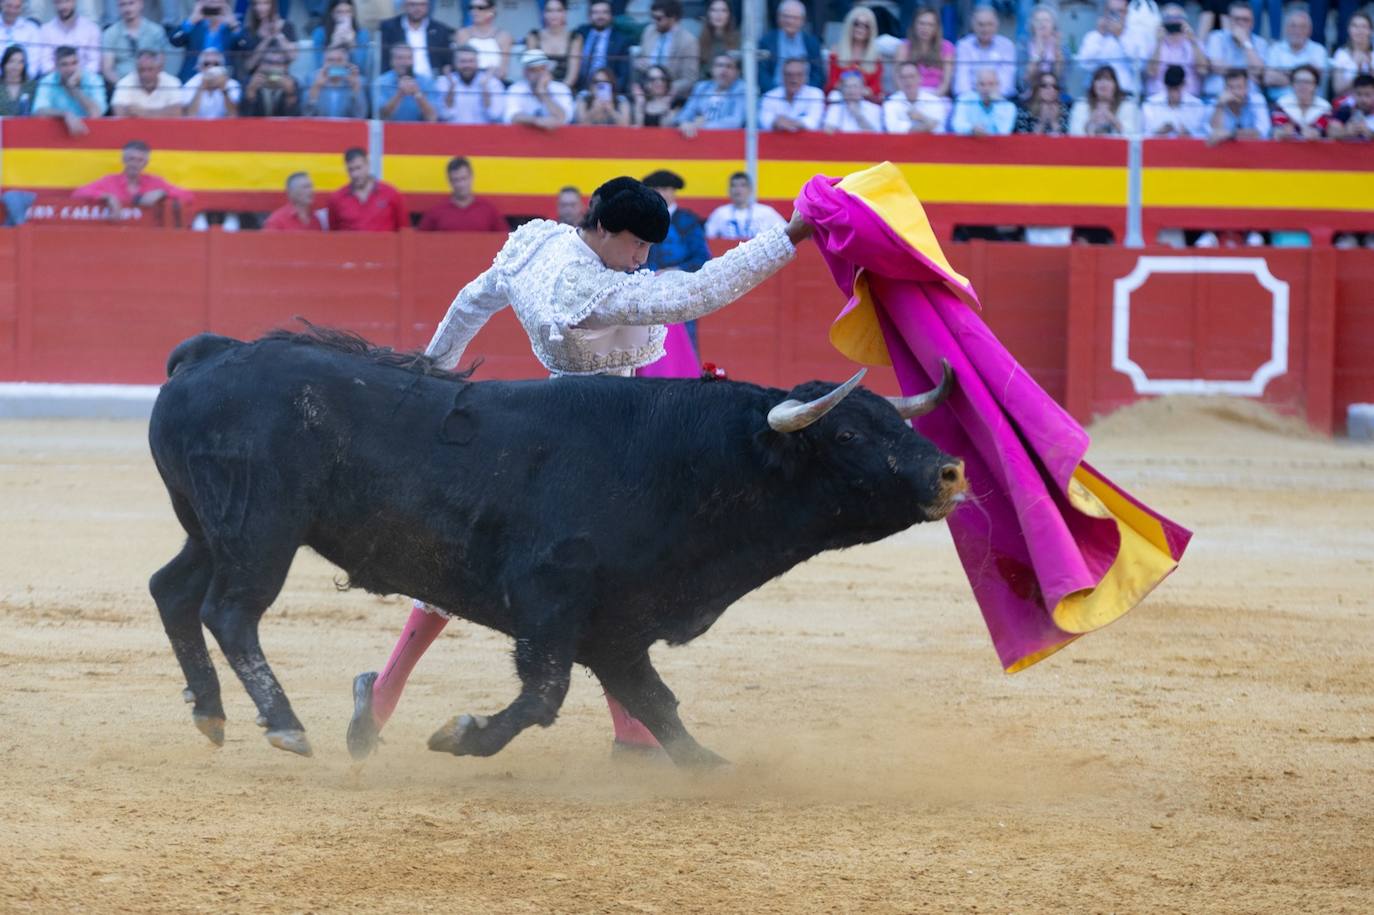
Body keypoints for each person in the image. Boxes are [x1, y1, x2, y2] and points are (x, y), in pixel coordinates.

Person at [346, 175, 815, 762]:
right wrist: (791, 234)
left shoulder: (539, 242)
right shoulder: (585, 289)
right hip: (584, 445)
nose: (643, 259)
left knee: (559, 575)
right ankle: (633, 735)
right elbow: (697, 294)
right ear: (607, 229)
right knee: (598, 579)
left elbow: (472, 301)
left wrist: (431, 374)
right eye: (638, 245)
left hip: (579, 434)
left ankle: (386, 692)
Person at [72, 139, 192, 221]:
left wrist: (162, 193)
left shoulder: (155, 182)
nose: (135, 164)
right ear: (124, 160)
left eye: (140, 160)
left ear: (145, 163)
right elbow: (78, 193)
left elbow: (188, 196)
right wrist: (108, 197)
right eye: (131, 159)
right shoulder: (110, 181)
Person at [642, 169, 709, 275]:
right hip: (647, 278)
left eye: (664, 189)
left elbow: (701, 257)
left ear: (673, 191)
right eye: (655, 189)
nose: (659, 193)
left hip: (681, 278)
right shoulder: (641, 219)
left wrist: (677, 270)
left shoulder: (688, 220)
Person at [1075, 0, 1145, 97]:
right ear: (1105, 12)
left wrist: (1120, 36)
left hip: (1126, 94)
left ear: (1127, 13)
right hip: (1097, 96)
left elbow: (1139, 66)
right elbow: (1084, 65)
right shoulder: (1093, 36)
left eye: (1120, 11)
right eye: (1112, 11)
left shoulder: (1136, 35)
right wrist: (1100, 35)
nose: (1116, 15)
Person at [417, 157, 506, 232]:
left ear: (471, 177)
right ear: (449, 181)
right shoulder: (436, 212)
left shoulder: (488, 210)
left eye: (463, 178)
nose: (460, 185)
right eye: (456, 180)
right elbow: (419, 240)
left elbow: (506, 240)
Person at [327, 147, 407, 231]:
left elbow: (404, 230)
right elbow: (333, 233)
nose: (355, 174)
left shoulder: (391, 194)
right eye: (351, 170)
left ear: (368, 165)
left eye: (358, 168)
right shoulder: (336, 199)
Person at [31, 44, 105, 134]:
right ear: (56, 66)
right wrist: (65, 114)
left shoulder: (93, 80)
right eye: (64, 64)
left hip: (89, 132)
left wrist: (74, 89)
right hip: (55, 133)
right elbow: (39, 111)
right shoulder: (47, 81)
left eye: (74, 63)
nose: (70, 69)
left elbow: (96, 114)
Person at [636, 0, 698, 102]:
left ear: (672, 18)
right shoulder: (649, 31)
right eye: (652, 17)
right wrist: (639, 63)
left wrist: (665, 88)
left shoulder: (688, 41)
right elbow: (640, 58)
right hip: (647, 91)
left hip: (672, 97)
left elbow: (689, 79)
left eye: (658, 18)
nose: (654, 21)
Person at [757, 0, 823, 94]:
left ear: (803, 20)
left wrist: (805, 93)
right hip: (774, 94)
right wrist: (776, 93)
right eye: (786, 16)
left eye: (795, 18)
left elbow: (818, 75)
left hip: (806, 95)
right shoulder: (767, 41)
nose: (790, 21)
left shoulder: (812, 43)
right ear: (778, 17)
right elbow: (762, 74)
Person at [102, 0, 173, 86]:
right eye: (123, 5)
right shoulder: (110, 33)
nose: (127, 8)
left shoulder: (156, 31)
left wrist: (148, 85)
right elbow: (107, 70)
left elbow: (160, 63)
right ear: (118, 7)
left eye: (131, 3)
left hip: (151, 84)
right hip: (121, 86)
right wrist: (124, 85)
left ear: (141, 4)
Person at [1263, 9, 1328, 103]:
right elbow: (1268, 79)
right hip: (1279, 103)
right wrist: (1302, 79)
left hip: (1310, 105)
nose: (1297, 31)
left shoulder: (1319, 50)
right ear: (1286, 29)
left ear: (1310, 30)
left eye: (1302, 27)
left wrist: (1285, 75)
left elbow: (1315, 79)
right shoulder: (1275, 49)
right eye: (1293, 26)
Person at [1204, 1, 1268, 98]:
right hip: (1216, 96)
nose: (1241, 23)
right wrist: (1247, 73)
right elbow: (1216, 66)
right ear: (1229, 21)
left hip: (1249, 98)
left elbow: (1258, 71)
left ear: (1252, 23)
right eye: (1236, 19)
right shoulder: (1216, 37)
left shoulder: (1261, 42)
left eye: (1245, 20)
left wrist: (1245, 42)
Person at [169, 1, 242, 84]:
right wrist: (191, 20)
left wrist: (234, 25)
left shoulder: (231, 27)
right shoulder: (194, 25)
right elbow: (174, 41)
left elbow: (245, 46)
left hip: (224, 79)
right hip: (193, 77)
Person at [676, 51, 745, 136]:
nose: (723, 70)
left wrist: (704, 125)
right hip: (699, 137)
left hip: (730, 139)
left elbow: (736, 121)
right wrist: (684, 123)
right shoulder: (702, 87)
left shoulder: (743, 89)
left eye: (729, 66)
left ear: (737, 72)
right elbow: (686, 113)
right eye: (719, 65)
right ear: (712, 69)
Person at [1145, 4, 1207, 97]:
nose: (1174, 21)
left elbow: (1202, 70)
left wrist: (1193, 42)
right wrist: (1159, 43)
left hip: (1189, 97)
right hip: (1159, 97)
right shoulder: (1154, 43)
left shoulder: (1195, 43)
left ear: (1185, 21)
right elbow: (1151, 72)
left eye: (1178, 18)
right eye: (1169, 18)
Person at [953, 5, 1015, 98]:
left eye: (989, 24)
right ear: (973, 26)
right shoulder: (964, 45)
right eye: (981, 25)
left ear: (997, 25)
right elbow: (961, 82)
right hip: (970, 99)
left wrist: (993, 97)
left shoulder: (1007, 46)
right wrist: (972, 99)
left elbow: (1007, 82)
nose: (985, 29)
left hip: (999, 97)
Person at [382, 0, 454, 79]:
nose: (417, 8)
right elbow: (384, 59)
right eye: (412, 4)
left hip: (432, 80)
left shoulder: (440, 30)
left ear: (428, 6)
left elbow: (447, 61)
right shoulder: (389, 28)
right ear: (404, 6)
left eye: (422, 5)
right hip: (397, 80)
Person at [572, 0, 631, 94]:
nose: (600, 16)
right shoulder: (581, 33)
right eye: (596, 12)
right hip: (580, 89)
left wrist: (612, 94)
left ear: (611, 16)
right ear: (589, 16)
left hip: (608, 91)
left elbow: (623, 76)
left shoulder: (620, 41)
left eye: (604, 12)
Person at [704, 171, 785, 240]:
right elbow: (708, 237)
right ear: (729, 190)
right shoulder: (720, 213)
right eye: (733, 185)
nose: (738, 189)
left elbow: (785, 232)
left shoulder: (766, 212)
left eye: (742, 185)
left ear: (750, 189)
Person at [504, 49, 571, 130]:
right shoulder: (516, 89)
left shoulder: (561, 89)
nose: (539, 74)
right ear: (525, 73)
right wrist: (536, 121)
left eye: (542, 69)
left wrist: (543, 93)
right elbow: (512, 116)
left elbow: (565, 118)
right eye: (533, 70)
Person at [435, 43, 502, 124]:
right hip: (452, 130)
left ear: (478, 62)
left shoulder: (492, 82)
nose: (467, 65)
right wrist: (452, 87)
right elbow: (444, 115)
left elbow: (494, 115)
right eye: (463, 61)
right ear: (455, 63)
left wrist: (484, 87)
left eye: (471, 61)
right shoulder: (444, 81)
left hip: (484, 130)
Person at [826, 6, 882, 100]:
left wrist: (860, 92)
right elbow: (832, 83)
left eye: (866, 26)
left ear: (871, 30)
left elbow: (876, 88)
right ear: (849, 26)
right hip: (841, 99)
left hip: (865, 101)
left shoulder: (876, 57)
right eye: (856, 24)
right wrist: (850, 91)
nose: (860, 28)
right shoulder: (836, 53)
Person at [896, 6, 953, 97]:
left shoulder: (947, 47)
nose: (925, 28)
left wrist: (932, 98)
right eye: (921, 23)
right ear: (914, 25)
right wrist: (910, 97)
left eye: (930, 25)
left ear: (936, 27)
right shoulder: (904, 46)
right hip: (908, 95)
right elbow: (897, 78)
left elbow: (946, 82)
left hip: (936, 95)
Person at [1070, 64, 1140, 136]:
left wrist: (1113, 120)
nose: (1103, 83)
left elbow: (1133, 134)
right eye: (1099, 79)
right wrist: (1090, 121)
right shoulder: (1081, 105)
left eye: (1108, 79)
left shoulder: (1127, 105)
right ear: (1093, 85)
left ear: (1115, 85)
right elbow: (1073, 133)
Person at [34, 0, 99, 77]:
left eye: (67, 1)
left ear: (74, 1)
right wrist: (61, 78)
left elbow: (94, 63)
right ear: (54, 4)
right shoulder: (46, 30)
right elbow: (45, 63)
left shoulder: (91, 29)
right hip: (54, 80)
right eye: (59, 2)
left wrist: (79, 77)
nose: (63, 6)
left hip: (85, 80)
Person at [760, 55, 825, 131]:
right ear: (782, 76)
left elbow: (814, 121)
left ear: (806, 77)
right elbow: (764, 120)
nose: (794, 79)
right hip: (778, 137)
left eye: (799, 75)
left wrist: (794, 123)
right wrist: (775, 122)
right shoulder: (770, 96)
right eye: (789, 75)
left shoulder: (815, 94)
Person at [525, 0, 581, 88]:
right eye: (549, 10)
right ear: (543, 13)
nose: (554, 15)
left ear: (565, 13)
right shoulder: (533, 37)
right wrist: (541, 89)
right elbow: (531, 71)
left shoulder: (575, 38)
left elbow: (572, 76)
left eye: (558, 10)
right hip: (537, 87)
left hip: (565, 90)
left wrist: (559, 91)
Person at [374, 43, 437, 121]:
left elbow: (432, 117)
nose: (404, 62)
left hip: (418, 127)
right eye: (399, 58)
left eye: (408, 58)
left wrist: (417, 94)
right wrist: (400, 94)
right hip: (390, 127)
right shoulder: (381, 82)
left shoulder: (426, 82)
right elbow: (381, 115)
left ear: (413, 61)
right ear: (392, 61)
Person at [884, 58, 949, 133]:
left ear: (920, 78)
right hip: (902, 140)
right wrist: (927, 125)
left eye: (912, 76)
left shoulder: (934, 101)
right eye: (903, 77)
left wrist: (921, 117)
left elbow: (939, 130)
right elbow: (893, 129)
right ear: (898, 80)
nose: (908, 81)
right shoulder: (891, 102)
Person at [237, 0, 297, 80]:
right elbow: (249, 66)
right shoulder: (248, 31)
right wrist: (267, 39)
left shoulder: (287, 26)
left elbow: (293, 56)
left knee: (290, 84)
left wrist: (278, 34)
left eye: (265, 3)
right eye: (257, 4)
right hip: (257, 77)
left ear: (273, 5)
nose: (260, 8)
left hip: (281, 76)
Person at [112, 49, 182, 117]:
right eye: (141, 70)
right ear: (136, 68)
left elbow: (177, 112)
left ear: (159, 69)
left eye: (150, 69)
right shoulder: (124, 83)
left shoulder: (172, 82)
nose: (145, 74)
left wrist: (144, 112)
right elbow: (119, 112)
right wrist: (162, 112)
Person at [1142, 63, 1207, 137]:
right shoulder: (1150, 104)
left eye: (1176, 89)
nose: (1173, 94)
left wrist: (1188, 134)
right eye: (1170, 89)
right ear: (1165, 85)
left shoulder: (1197, 106)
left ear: (1184, 84)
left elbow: (1202, 137)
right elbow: (1144, 135)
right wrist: (1157, 133)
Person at [1208, 67, 1271, 141]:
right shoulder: (1217, 102)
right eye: (1231, 87)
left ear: (1247, 88)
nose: (1235, 92)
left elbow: (1262, 132)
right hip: (1225, 148)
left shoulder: (1257, 100)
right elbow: (1214, 133)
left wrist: (1231, 134)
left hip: (1253, 147)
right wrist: (1220, 106)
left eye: (1239, 87)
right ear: (1224, 88)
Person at [1270, 63, 1331, 139]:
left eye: (1307, 82)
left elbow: (1322, 132)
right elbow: (1277, 130)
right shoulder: (1282, 104)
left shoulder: (1324, 107)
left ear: (1315, 86)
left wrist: (1315, 134)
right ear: (1292, 85)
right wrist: (1281, 132)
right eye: (1298, 82)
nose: (1302, 86)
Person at [305, 44, 366, 117]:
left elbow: (360, 116)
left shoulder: (357, 80)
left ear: (347, 63)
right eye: (330, 60)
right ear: (323, 62)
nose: (335, 64)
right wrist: (316, 88)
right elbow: (306, 115)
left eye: (339, 60)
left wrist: (355, 89)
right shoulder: (311, 79)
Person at [951, 65, 1016, 135]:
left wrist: (998, 104)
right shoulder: (964, 100)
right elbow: (957, 125)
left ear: (998, 85)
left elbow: (1004, 131)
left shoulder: (1009, 107)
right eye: (982, 84)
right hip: (971, 140)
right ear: (976, 86)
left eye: (991, 84)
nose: (986, 88)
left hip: (995, 142)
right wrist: (972, 128)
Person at [452, 0, 508, 80]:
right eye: (471, 8)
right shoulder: (462, 34)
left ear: (492, 10)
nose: (474, 11)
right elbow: (459, 65)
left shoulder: (503, 36)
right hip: (467, 82)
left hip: (494, 83)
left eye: (480, 8)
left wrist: (488, 80)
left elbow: (503, 71)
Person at [312, 0, 370, 72]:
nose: (344, 16)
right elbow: (319, 65)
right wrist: (334, 44)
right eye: (339, 12)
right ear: (332, 14)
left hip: (351, 73)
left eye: (348, 12)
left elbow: (361, 66)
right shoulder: (320, 32)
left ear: (353, 14)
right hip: (327, 74)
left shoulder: (362, 34)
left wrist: (352, 44)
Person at [1018, 4, 1062, 98]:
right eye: (1038, 21)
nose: (1042, 24)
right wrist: (1038, 54)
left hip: (1054, 94)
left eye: (1046, 20)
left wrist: (1057, 50)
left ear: (1054, 25)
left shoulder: (1062, 46)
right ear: (1032, 25)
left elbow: (1061, 77)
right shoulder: (1023, 45)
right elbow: (1023, 80)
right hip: (1030, 94)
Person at [241, 46, 299, 116]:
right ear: (260, 65)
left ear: (285, 67)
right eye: (269, 62)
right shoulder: (249, 82)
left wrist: (290, 95)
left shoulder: (293, 83)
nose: (273, 67)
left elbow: (298, 117)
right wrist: (250, 93)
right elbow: (242, 116)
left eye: (278, 63)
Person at [182, 49, 240, 117]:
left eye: (216, 64)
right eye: (206, 64)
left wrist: (224, 90)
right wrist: (201, 87)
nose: (211, 67)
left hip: (223, 123)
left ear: (222, 66)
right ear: (200, 67)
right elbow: (190, 115)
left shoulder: (232, 84)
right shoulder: (190, 84)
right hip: (198, 123)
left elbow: (233, 115)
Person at [823, 68, 883, 132]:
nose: (851, 90)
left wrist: (858, 116)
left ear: (862, 89)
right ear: (842, 89)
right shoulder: (836, 105)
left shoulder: (874, 109)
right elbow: (828, 130)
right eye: (847, 87)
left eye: (855, 86)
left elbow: (876, 134)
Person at [1331, 12, 1372, 99]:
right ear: (1349, 30)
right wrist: (1357, 71)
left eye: (1364, 26)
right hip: (1346, 102)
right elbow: (1338, 89)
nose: (1359, 31)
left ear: (1370, 31)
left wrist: (1369, 68)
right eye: (1355, 26)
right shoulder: (1341, 54)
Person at [1015, 69, 1069, 134]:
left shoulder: (1064, 110)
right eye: (1044, 85)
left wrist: (1054, 122)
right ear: (1037, 88)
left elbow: (1068, 138)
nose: (1051, 89)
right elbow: (1022, 138)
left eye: (1055, 86)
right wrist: (1042, 122)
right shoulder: (1024, 110)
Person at [696, 0, 739, 80]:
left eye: (723, 10)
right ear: (708, 14)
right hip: (706, 83)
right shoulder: (700, 39)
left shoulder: (738, 39)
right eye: (714, 10)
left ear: (729, 14)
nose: (718, 14)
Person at [0, 0, 40, 80]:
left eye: (17, 7)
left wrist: (23, 81)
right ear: (1, 3)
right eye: (9, 6)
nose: (12, 11)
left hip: (23, 81)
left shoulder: (31, 29)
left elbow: (34, 63)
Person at [1328, 72, 1374, 138]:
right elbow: (1330, 132)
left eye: (1367, 95)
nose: (1363, 99)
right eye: (1359, 94)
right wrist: (1346, 132)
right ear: (1353, 94)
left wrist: (1371, 134)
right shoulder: (1346, 110)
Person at [0, 44, 33, 115]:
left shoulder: (31, 86)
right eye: (11, 61)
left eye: (20, 62)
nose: (16, 66)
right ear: (4, 63)